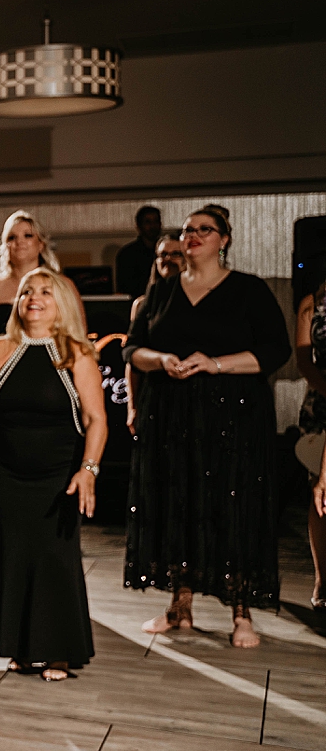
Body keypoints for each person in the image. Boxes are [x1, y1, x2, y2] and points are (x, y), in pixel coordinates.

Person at [125, 204, 291, 647]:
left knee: (232, 507)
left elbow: (275, 351)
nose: (193, 235)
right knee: (179, 505)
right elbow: (134, 350)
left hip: (234, 416)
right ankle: (179, 608)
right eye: (187, 230)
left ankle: (241, 614)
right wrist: (162, 360)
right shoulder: (162, 292)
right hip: (173, 416)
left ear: (224, 239)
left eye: (204, 229)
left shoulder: (248, 290)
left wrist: (215, 364)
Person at [0, 269, 107, 681]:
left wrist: (88, 470)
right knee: (15, 559)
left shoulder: (76, 353)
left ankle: (58, 652)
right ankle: (21, 647)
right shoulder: (2, 349)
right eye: (26, 292)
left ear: (62, 304)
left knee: (55, 559)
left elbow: (96, 419)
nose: (33, 298)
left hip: (59, 477)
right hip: (8, 475)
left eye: (44, 292)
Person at [0, 211, 81, 387]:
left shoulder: (63, 285)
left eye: (27, 235)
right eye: (12, 237)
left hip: (52, 380)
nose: (19, 242)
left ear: (41, 244)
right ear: (5, 246)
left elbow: (78, 339)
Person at [124, 233, 186, 434]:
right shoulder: (143, 303)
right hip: (154, 391)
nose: (168, 259)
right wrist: (132, 406)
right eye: (162, 254)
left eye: (176, 253)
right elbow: (132, 357)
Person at [296, 281, 326, 610]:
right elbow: (304, 360)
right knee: (320, 490)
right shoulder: (312, 301)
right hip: (321, 403)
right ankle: (322, 578)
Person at [115, 205, 162, 296]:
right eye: (148, 222)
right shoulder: (127, 254)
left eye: (156, 221)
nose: (153, 226)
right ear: (139, 226)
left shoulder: (166, 252)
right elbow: (124, 288)